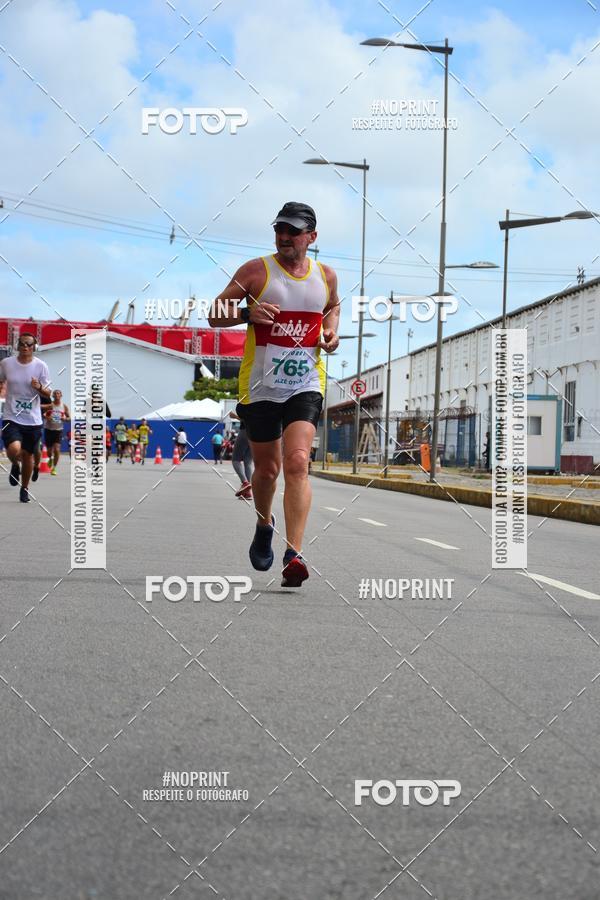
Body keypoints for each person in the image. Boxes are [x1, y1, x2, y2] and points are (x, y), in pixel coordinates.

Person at [209, 201, 339, 587]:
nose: (284, 237)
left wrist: (331, 333)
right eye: (280, 229)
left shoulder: (327, 276)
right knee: (267, 470)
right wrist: (247, 315)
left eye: (294, 231)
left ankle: (294, 553)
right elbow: (215, 313)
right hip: (261, 385)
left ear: (311, 237)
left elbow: (331, 310)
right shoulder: (256, 271)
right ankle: (264, 524)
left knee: (298, 462)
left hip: (305, 383)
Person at [0, 332, 51, 502]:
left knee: (28, 455)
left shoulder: (41, 366)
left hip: (33, 419)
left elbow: (48, 392)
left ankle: (25, 488)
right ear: (17, 346)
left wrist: (39, 387)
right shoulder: (6, 364)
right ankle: (15, 464)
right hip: (11, 416)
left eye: (29, 344)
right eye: (22, 343)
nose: (25, 347)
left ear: (34, 347)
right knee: (14, 449)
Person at [42, 388, 69, 475]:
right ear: (53, 396)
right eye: (55, 393)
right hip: (48, 430)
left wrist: (64, 418)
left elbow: (69, 418)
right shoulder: (50, 405)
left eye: (58, 393)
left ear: (61, 396)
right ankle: (50, 458)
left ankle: (54, 468)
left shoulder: (64, 406)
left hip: (58, 430)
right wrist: (46, 417)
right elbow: (43, 413)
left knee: (57, 449)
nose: (57, 395)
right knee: (49, 452)